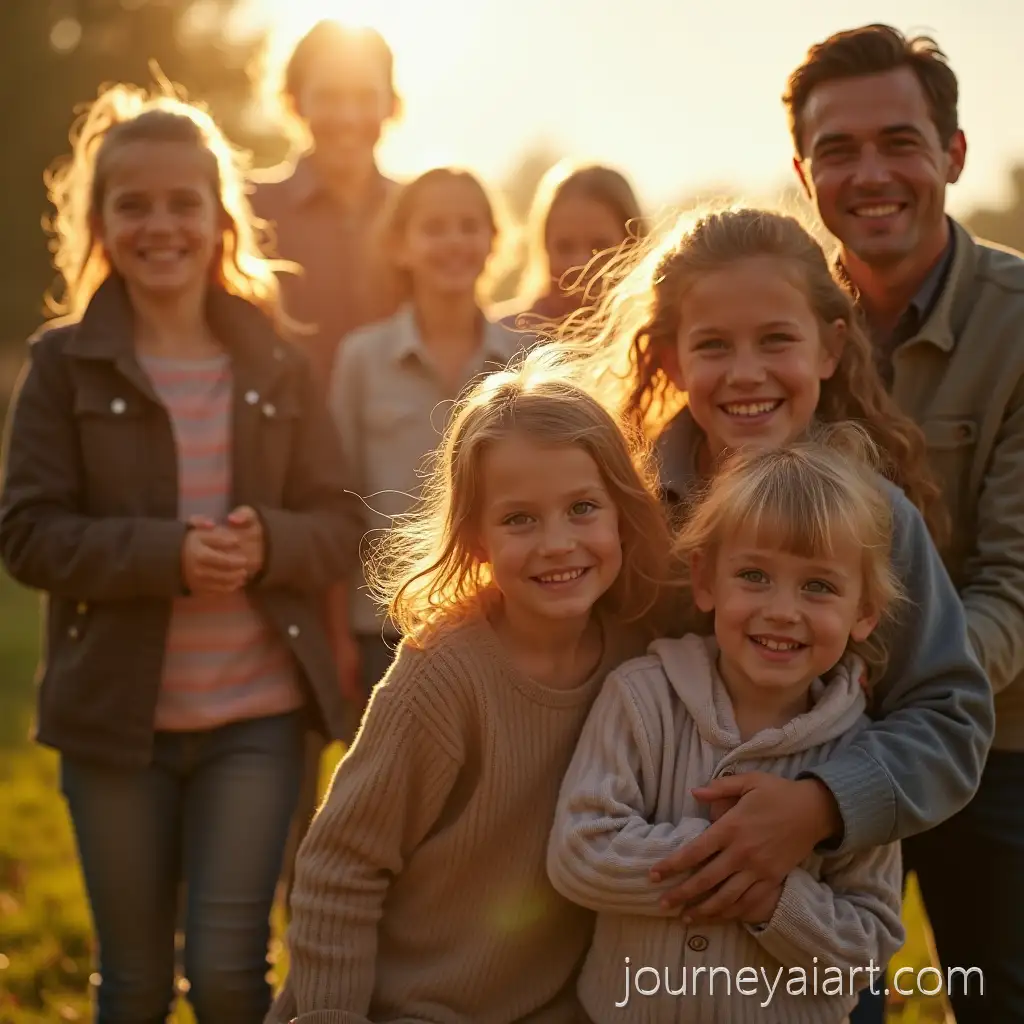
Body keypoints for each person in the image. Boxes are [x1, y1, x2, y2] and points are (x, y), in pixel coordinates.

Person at [0, 85, 365, 1024]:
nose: (159, 225)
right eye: (134, 205)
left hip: (260, 720)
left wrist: (269, 542)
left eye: (182, 203)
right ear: (98, 223)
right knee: (133, 983)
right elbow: (27, 533)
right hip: (116, 723)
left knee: (231, 968)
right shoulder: (61, 365)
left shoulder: (278, 361)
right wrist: (168, 556)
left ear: (220, 219)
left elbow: (337, 519)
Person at [563, 203, 992, 971]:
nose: (746, 372)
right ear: (670, 359)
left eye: (776, 340)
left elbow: (950, 714)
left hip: (813, 942)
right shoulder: (630, 507)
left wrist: (823, 804)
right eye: (713, 345)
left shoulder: (877, 520)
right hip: (639, 942)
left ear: (830, 348)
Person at [266, 348, 679, 1024]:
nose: (556, 543)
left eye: (582, 508)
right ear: (476, 537)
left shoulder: (642, 658)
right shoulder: (442, 675)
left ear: (621, 513)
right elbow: (340, 868)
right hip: (401, 1008)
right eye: (520, 519)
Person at [784, 25, 1024, 1022]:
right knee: (827, 1007)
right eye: (837, 150)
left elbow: (1013, 584)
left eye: (900, 142)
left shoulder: (1018, 324)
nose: (870, 174)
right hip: (804, 745)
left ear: (953, 155)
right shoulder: (782, 323)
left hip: (998, 748)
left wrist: (896, 696)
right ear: (803, 174)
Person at [549, 424, 906, 1022]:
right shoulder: (642, 697)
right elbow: (580, 852)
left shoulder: (863, 760)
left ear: (864, 613)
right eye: (754, 576)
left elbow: (865, 947)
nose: (782, 610)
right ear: (705, 580)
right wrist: (733, 859)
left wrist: (775, 899)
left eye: (818, 586)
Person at [327, 166, 524, 702]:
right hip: (385, 626)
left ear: (493, 241)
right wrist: (338, 635)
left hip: (501, 621)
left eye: (469, 226)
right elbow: (337, 504)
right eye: (434, 228)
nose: (453, 242)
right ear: (400, 246)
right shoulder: (360, 359)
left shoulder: (525, 357)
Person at [250, 19, 401, 392]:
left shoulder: (421, 213)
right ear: (294, 102)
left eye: (366, 97)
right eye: (328, 97)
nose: (348, 117)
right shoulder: (248, 208)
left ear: (392, 104)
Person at [497, 161, 647, 342]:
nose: (580, 263)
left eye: (600, 247)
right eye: (564, 247)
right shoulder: (497, 342)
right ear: (543, 248)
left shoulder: (658, 340)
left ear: (634, 244)